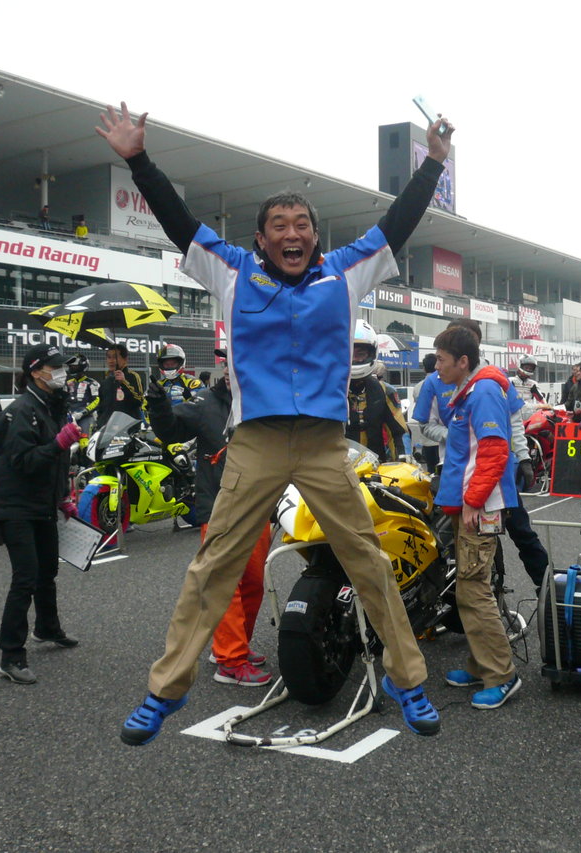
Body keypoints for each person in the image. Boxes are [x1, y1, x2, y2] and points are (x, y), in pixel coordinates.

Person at [96, 101, 447, 743]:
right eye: (279, 225)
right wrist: (136, 158)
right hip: (255, 442)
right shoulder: (230, 269)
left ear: (315, 237)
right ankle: (165, 691)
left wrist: (432, 165)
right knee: (213, 563)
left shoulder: (346, 271)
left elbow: (396, 225)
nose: (292, 232)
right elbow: (178, 221)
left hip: (320, 444)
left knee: (366, 557)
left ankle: (408, 680)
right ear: (261, 239)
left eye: (302, 224)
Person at [146, 347, 272, 687]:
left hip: (259, 506)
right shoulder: (204, 403)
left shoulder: (266, 403)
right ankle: (231, 660)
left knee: (254, 583)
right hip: (218, 507)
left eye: (240, 362)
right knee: (223, 585)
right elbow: (171, 431)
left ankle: (234, 646)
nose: (232, 370)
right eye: (228, 364)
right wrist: (157, 403)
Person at [413, 317, 550, 589]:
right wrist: (456, 435)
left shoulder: (492, 378)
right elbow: (425, 426)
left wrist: (523, 457)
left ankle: (551, 596)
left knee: (522, 533)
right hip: (452, 472)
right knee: (447, 542)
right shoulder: (433, 381)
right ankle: (457, 606)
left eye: (472, 338)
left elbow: (513, 421)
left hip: (495, 475)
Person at [430, 326, 521, 709]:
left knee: (474, 588)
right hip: (468, 504)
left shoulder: (482, 390)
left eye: (441, 360)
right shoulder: (473, 389)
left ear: (462, 361)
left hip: (478, 507)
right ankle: (481, 663)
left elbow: (494, 451)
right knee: (468, 589)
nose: (436, 368)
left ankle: (502, 675)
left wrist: (473, 500)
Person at [0, 343, 83, 685]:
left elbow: (54, 464)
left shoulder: (52, 406)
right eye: (55, 367)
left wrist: (63, 497)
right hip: (14, 505)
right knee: (25, 577)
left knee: (48, 570)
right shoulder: (19, 411)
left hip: (42, 502)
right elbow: (24, 462)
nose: (62, 372)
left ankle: (47, 628)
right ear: (36, 372)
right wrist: (59, 442)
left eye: (62, 367)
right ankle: (11, 656)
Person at [347, 320, 408, 461]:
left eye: (360, 354)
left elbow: (398, 432)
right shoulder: (328, 391)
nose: (355, 360)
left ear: (372, 353)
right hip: (336, 470)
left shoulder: (385, 390)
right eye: (350, 354)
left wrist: (403, 458)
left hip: (375, 471)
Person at [88, 342, 144, 429]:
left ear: (125, 359)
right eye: (109, 357)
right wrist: (99, 424)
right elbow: (102, 407)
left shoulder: (133, 376)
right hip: (106, 431)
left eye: (115, 357)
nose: (111, 361)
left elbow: (139, 400)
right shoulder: (106, 382)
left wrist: (124, 382)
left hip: (127, 430)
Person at [411, 353, 441, 473]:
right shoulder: (444, 384)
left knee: (430, 471)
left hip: (426, 437)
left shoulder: (418, 387)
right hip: (441, 438)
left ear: (424, 368)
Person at [64, 355, 100, 420]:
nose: (72, 369)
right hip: (69, 417)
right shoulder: (68, 383)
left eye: (74, 366)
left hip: (86, 416)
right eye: (70, 366)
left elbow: (97, 400)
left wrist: (83, 412)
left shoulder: (92, 383)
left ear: (82, 366)